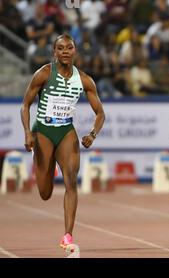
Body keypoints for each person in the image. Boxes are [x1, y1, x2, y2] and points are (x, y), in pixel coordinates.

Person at [20, 34, 105, 250]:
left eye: (69, 47)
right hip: (43, 131)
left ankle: (68, 235)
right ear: (54, 52)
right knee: (45, 193)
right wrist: (28, 133)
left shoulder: (84, 79)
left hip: (66, 131)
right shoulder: (44, 74)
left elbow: (100, 113)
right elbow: (25, 105)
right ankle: (46, 165)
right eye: (60, 48)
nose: (65, 51)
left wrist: (92, 134)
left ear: (75, 51)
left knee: (71, 181)